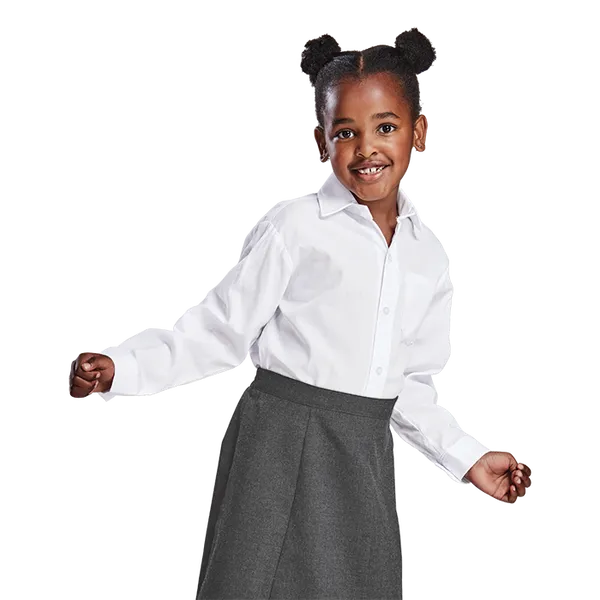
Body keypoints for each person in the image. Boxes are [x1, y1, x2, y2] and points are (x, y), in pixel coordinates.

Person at [68, 26, 534, 599]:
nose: (366, 148)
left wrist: (470, 458)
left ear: (420, 132)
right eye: (346, 132)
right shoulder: (297, 227)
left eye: (386, 127)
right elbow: (219, 328)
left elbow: (408, 387)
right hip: (279, 444)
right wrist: (124, 368)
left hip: (361, 458)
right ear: (320, 141)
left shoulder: (428, 257)